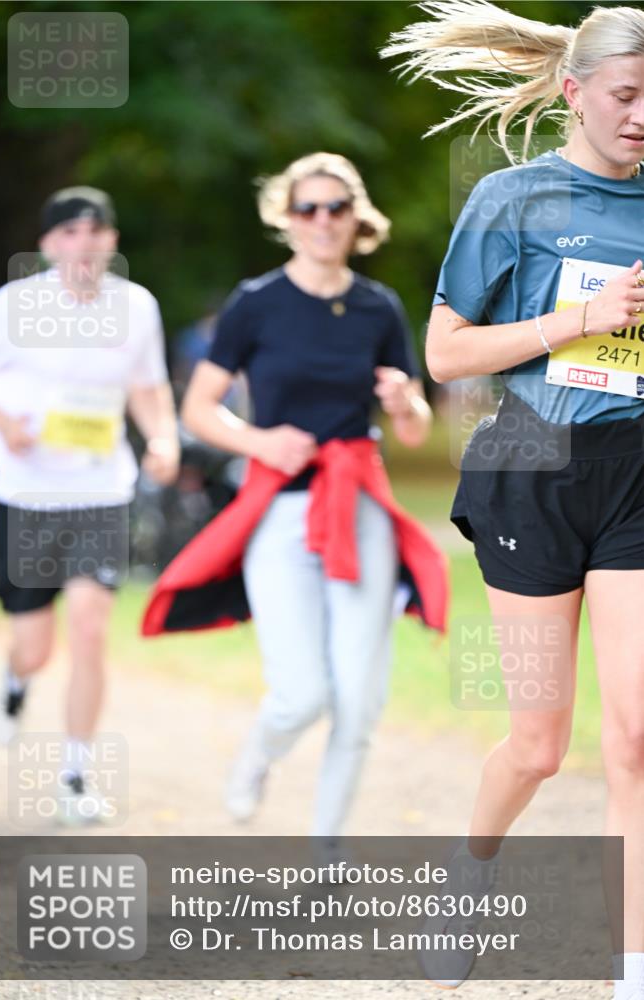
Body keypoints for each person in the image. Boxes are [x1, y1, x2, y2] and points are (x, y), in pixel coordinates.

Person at [383, 1, 644, 995]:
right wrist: (578, 319)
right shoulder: (511, 197)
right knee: (539, 743)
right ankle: (468, 875)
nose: (638, 117)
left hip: (632, 470)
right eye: (623, 97)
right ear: (573, 91)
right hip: (530, 467)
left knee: (631, 732)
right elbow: (444, 352)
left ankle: (628, 962)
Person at [141, 152, 449, 847]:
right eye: (307, 208)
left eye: (335, 207)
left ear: (355, 218)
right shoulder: (257, 302)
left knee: (359, 698)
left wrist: (404, 403)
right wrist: (258, 441)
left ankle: (326, 845)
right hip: (279, 508)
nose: (321, 221)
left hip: (359, 504)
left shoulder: (379, 307)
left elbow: (413, 425)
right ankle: (257, 756)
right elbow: (198, 408)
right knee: (302, 692)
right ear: (286, 218)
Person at [0, 186, 179, 824]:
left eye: (94, 231)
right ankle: (14, 679)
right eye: (68, 232)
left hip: (101, 490)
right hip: (25, 491)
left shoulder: (137, 308)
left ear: (112, 241)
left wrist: (165, 436)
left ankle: (73, 774)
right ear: (46, 244)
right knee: (36, 647)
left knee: (90, 630)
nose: (83, 244)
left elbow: (148, 389)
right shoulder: (11, 307)